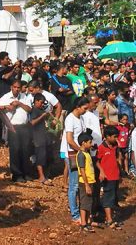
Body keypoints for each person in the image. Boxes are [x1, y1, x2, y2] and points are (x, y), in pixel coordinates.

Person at [0, 79, 33, 182]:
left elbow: (29, 109)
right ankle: (17, 175)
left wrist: (19, 103)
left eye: (18, 88)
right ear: (11, 87)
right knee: (15, 150)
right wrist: (6, 106)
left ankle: (26, 173)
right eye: (15, 87)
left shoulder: (24, 97)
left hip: (24, 126)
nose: (16, 89)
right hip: (13, 127)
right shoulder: (6, 97)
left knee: (25, 150)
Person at [62, 96, 90, 224]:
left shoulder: (81, 118)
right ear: (77, 107)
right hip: (72, 153)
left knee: (78, 185)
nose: (86, 111)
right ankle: (75, 214)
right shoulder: (70, 119)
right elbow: (69, 139)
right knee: (73, 186)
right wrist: (80, 150)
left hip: (78, 152)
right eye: (84, 108)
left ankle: (80, 210)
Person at [97, 126, 122, 230]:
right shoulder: (101, 147)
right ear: (107, 136)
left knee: (113, 197)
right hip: (108, 177)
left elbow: (117, 157)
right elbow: (97, 161)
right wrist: (102, 172)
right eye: (114, 136)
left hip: (115, 175)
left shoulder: (115, 146)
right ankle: (109, 219)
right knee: (108, 197)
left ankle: (110, 217)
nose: (116, 139)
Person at [30, 93, 53, 185]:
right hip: (37, 137)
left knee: (44, 156)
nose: (42, 104)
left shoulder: (41, 110)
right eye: (41, 102)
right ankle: (41, 176)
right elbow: (32, 122)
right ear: (36, 101)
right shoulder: (34, 111)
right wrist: (42, 116)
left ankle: (44, 175)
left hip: (44, 137)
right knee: (40, 157)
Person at [76, 133, 96, 232]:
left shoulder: (87, 153)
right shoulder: (81, 155)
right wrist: (87, 184)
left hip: (90, 181)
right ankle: (83, 223)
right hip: (84, 182)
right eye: (89, 142)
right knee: (84, 203)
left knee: (88, 203)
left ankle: (87, 222)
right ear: (83, 143)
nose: (91, 144)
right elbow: (82, 170)